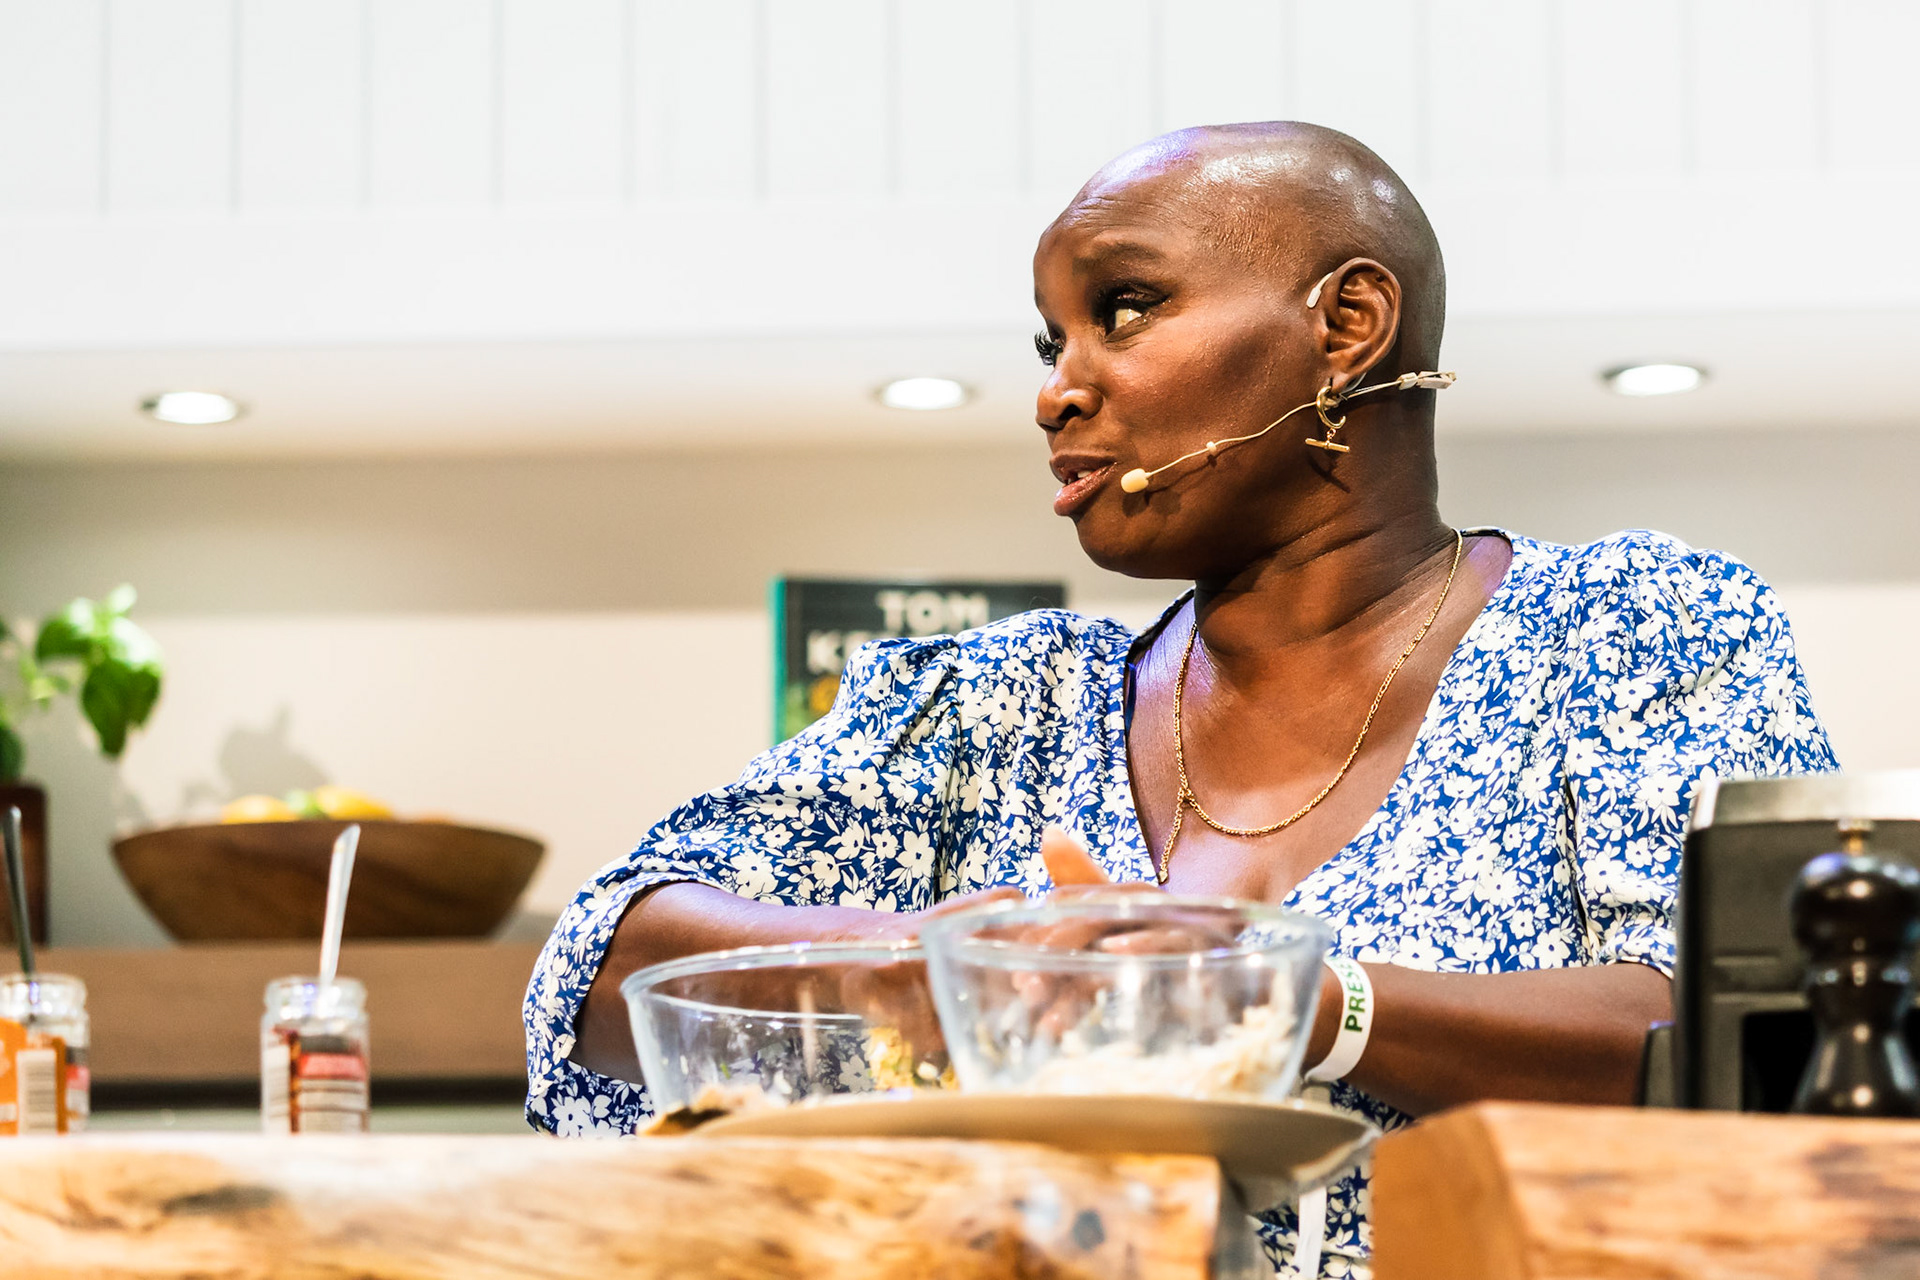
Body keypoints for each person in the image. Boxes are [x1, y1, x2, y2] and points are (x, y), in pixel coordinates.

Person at [525, 122, 1835, 1276]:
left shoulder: (1630, 629)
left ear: (1347, 325)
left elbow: (1760, 1036)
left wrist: (1290, 1001)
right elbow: (604, 955)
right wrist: (918, 975)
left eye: (1126, 307)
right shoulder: (996, 703)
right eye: (1052, 340)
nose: (1058, 389)